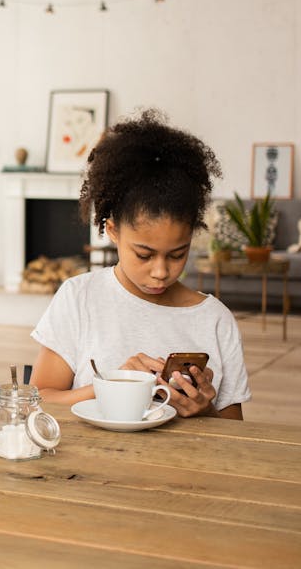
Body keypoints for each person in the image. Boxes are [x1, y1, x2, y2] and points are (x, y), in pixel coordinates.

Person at [29, 109, 249, 419]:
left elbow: (235, 436)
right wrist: (114, 385)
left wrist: (204, 410)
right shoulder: (79, 298)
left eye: (177, 254)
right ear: (113, 230)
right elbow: (39, 399)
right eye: (144, 255)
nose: (161, 272)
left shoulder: (214, 320)